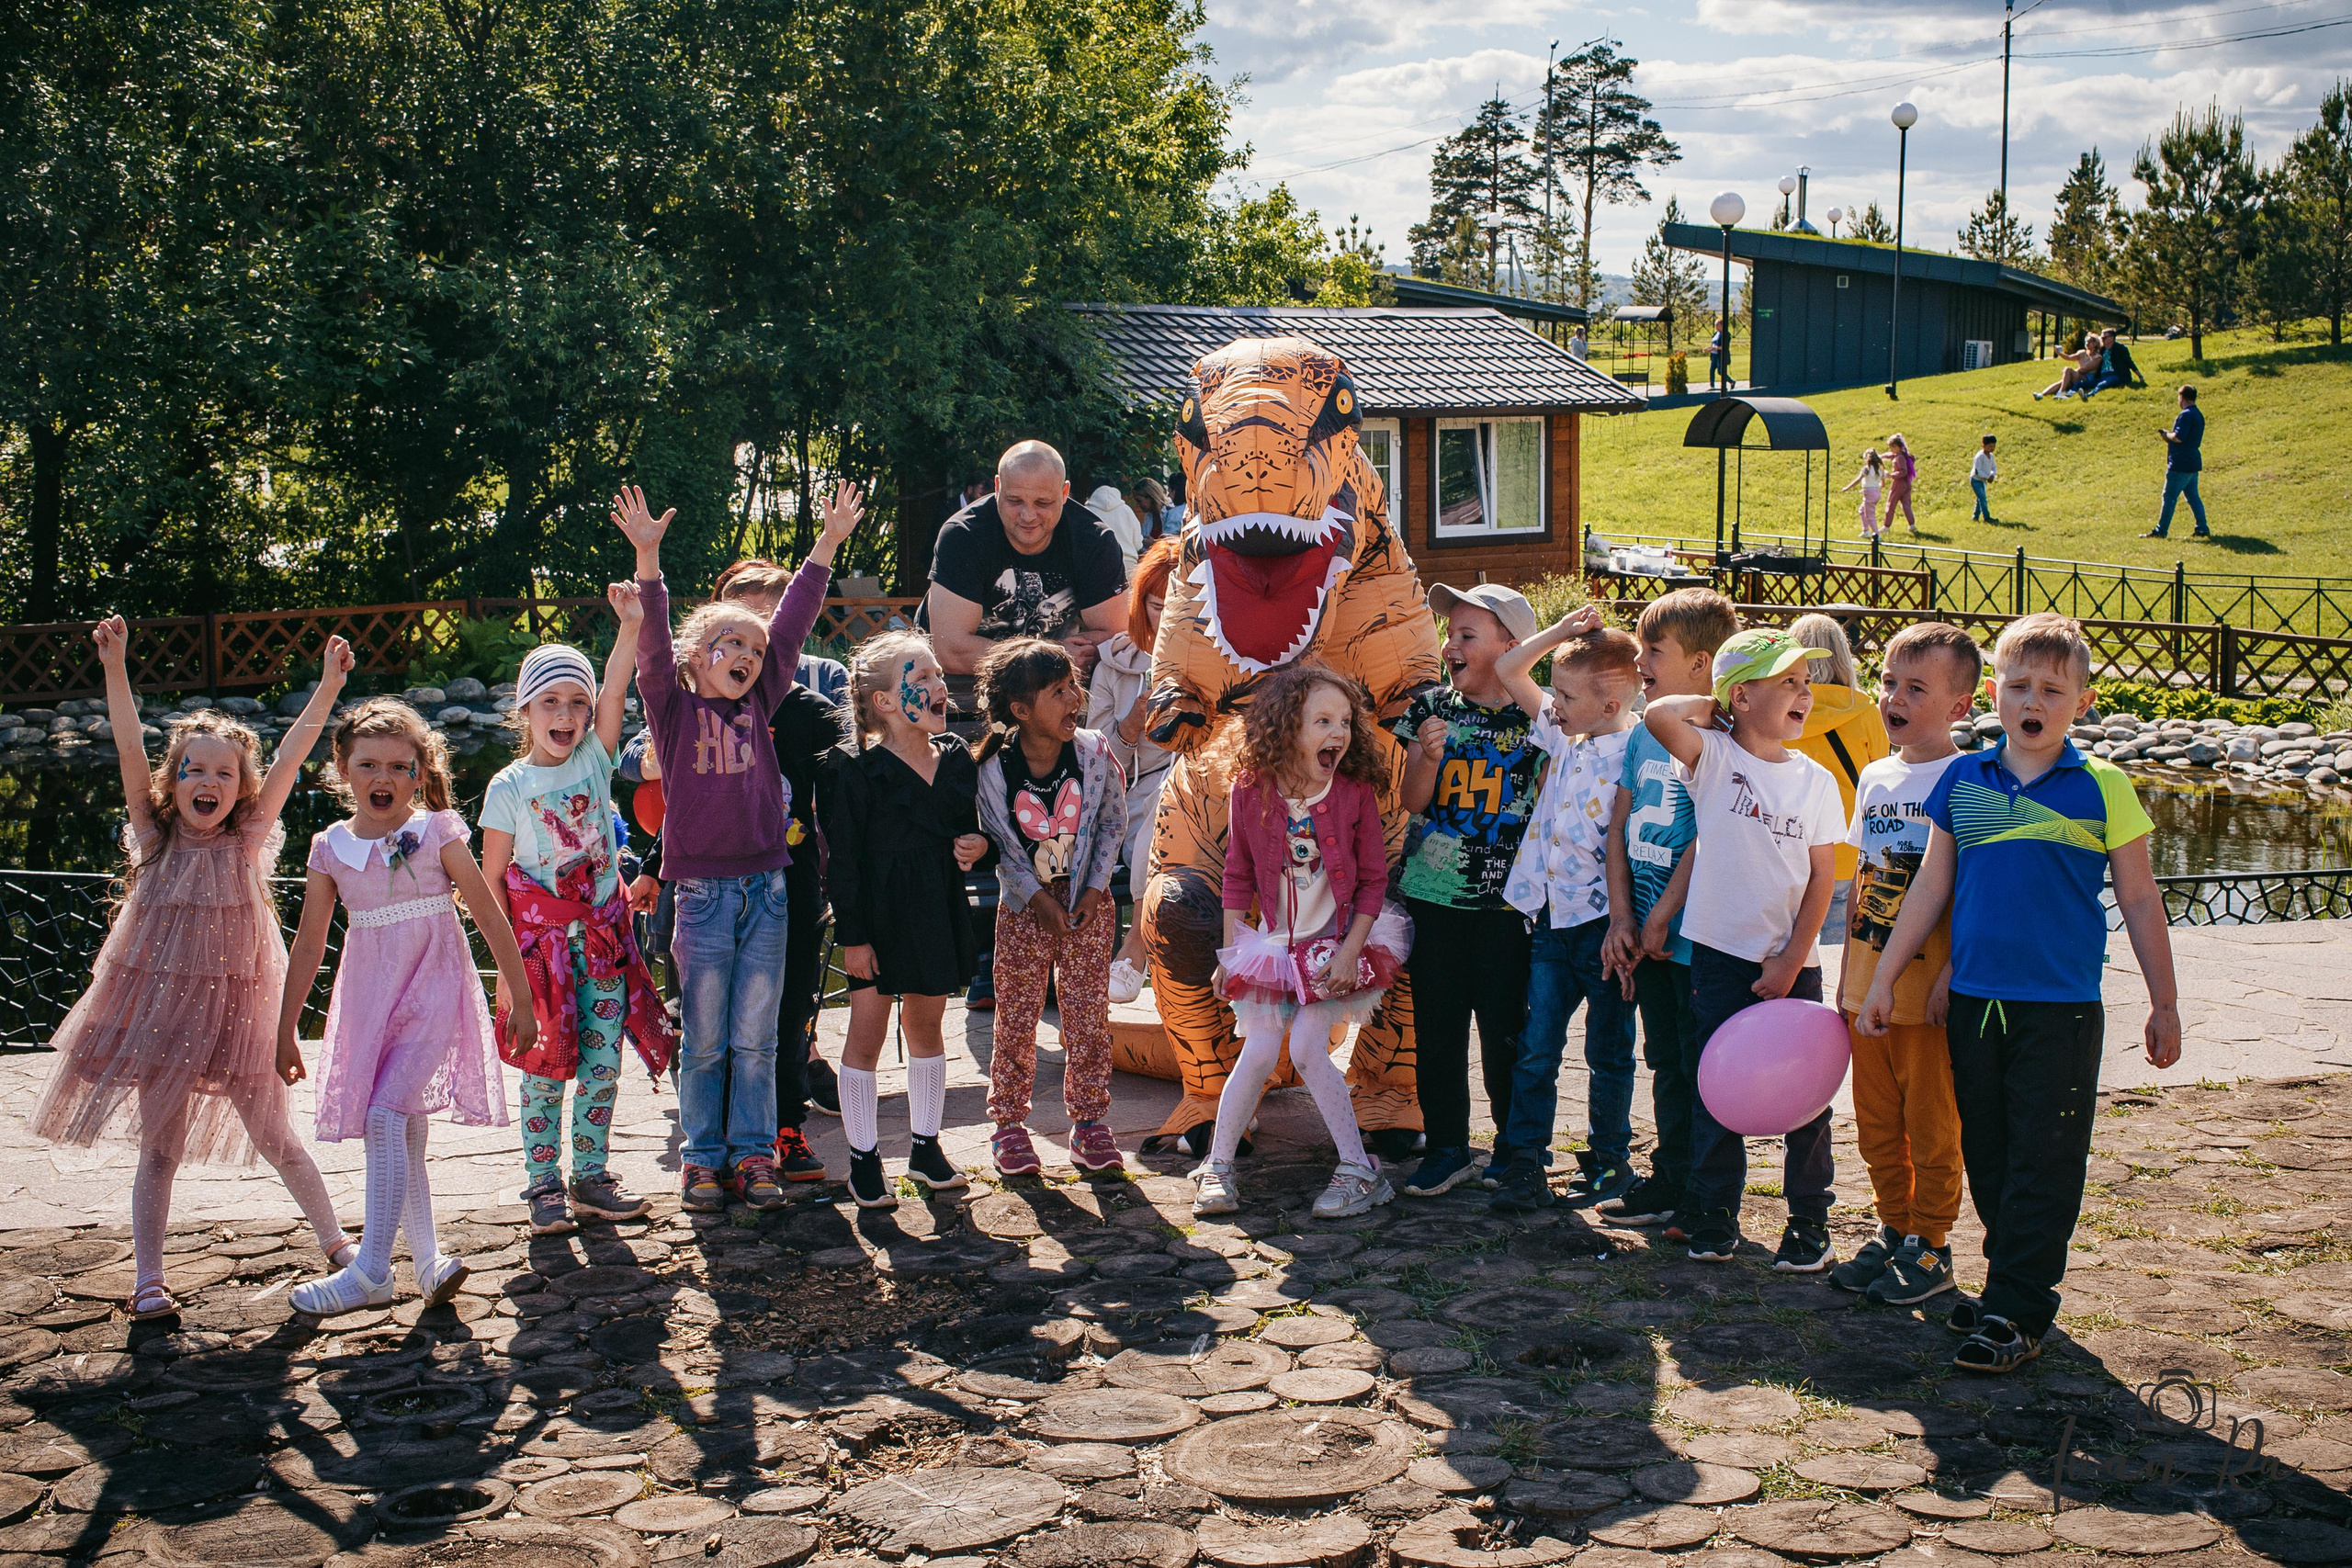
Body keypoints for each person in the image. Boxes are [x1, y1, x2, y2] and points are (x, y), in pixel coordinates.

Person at [1859, 614, 2182, 1373]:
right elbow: (1932, 885)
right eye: (2018, 685)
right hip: (1973, 1004)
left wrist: (2164, 1001)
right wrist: (1883, 979)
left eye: (2051, 689)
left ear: (2083, 702)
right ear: (1994, 695)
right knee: (1992, 1153)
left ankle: (2019, 1306)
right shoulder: (1965, 780)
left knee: (2046, 1155)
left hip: (2060, 1009)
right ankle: (2010, 1283)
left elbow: (2139, 899)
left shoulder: (2103, 787)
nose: (2032, 700)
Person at [33, 623, 357, 1321]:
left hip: (241, 1018)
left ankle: (336, 1243)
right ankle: (149, 1278)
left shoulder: (248, 838)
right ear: (172, 780)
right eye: (194, 769)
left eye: (223, 772)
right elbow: (126, 743)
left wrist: (328, 687)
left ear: (240, 787)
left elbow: (295, 753)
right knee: (161, 1147)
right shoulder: (154, 839)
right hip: (161, 1018)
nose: (207, 781)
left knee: (275, 1136)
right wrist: (115, 667)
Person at [614, 481, 861, 1213]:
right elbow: (653, 648)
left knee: (757, 1036)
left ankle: (755, 1153)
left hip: (771, 890)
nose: (750, 653)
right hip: (702, 896)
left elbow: (791, 626)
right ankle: (702, 1159)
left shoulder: (764, 698)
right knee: (708, 1038)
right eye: (732, 643)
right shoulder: (671, 710)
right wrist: (648, 559)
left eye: (756, 648)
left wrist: (827, 544)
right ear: (696, 657)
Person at [278, 698, 533, 1314]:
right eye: (368, 764)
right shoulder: (329, 848)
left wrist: (520, 994)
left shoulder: (438, 832)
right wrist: (286, 1028)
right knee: (405, 1126)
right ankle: (427, 1260)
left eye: (399, 765)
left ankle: (370, 1270)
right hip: (373, 1000)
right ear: (342, 768)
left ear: (419, 772)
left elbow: (487, 911)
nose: (383, 777)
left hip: (435, 992)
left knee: (386, 1117)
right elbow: (310, 942)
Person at [1642, 627, 1847, 1269]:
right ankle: (1714, 1213)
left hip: (1793, 962)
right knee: (1716, 1087)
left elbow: (1823, 877)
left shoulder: (1815, 781)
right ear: (1742, 695)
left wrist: (1790, 959)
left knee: (1807, 1100)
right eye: (1786, 680)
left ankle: (1809, 1220)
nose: (1804, 692)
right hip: (1720, 957)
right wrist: (1716, 708)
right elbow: (1655, 715)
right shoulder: (1714, 757)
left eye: (1805, 681)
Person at [1198, 666, 1410, 1220]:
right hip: (1271, 947)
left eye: (1345, 721)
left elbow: (1372, 881)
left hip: (1336, 944)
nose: (1338, 732)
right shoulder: (1251, 789)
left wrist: (1349, 952)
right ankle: (1218, 1168)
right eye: (1323, 720)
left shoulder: (1353, 791)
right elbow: (1237, 875)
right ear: (1288, 726)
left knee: (1308, 1049)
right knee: (1261, 1050)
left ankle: (1360, 1171)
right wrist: (1229, 954)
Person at [483, 622, 673, 1235]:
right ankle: (542, 1182)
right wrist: (507, 974)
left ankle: (590, 1174)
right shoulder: (508, 786)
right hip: (541, 950)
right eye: (550, 701)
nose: (564, 713)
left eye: (577, 702)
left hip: (602, 942)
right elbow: (490, 886)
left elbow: (619, 688)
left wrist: (626, 627)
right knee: (545, 1064)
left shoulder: (593, 757)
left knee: (601, 1061)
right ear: (526, 709)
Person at [1830, 623, 1980, 1306]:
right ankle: (1894, 1224)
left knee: (1932, 1122)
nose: (1894, 697)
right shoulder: (1876, 775)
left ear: (1959, 705)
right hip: (1868, 984)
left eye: (1916, 688)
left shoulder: (1967, 777)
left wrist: (1955, 972)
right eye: (1889, 681)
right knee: (1877, 1121)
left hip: (1927, 990)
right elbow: (1864, 875)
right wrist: (1848, 975)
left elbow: (1972, 888)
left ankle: (1934, 1242)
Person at [820, 632, 993, 1208]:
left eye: (939, 675)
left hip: (936, 909)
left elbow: (972, 832)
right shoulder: (853, 770)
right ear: (885, 702)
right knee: (865, 1034)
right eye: (920, 680)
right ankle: (864, 1157)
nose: (939, 686)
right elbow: (842, 861)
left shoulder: (956, 759)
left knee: (927, 1028)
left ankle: (925, 1147)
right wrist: (854, 937)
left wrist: (976, 845)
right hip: (876, 915)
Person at [704, 559, 854, 1179]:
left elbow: (853, 781)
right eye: (738, 626)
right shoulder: (695, 709)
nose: (755, 635)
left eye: (771, 619)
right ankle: (714, 1143)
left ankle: (785, 1127)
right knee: (718, 1020)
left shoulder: (807, 708)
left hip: (790, 883)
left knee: (788, 1009)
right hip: (710, 887)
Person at [1491, 609, 1644, 1214]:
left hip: (1606, 929)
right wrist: (1561, 635)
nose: (1553, 703)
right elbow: (1509, 668)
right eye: (1553, 690)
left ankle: (1610, 1161)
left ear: (1609, 706)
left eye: (1567, 694)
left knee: (1609, 1052)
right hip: (1552, 923)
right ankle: (1525, 1158)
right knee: (1537, 1046)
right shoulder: (1561, 733)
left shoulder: (1636, 747)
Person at [1599, 588, 1740, 1235]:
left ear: (1702, 664)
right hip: (1648, 932)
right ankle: (1669, 1175)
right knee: (1664, 1060)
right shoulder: (1640, 736)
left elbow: (1708, 834)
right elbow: (1619, 827)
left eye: (1653, 650)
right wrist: (1624, 916)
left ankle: (1704, 1195)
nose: (1640, 659)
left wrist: (1664, 917)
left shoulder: (1719, 742)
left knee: (1697, 1064)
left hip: (1693, 940)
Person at [1393, 584, 1542, 1198]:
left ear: (1512, 646)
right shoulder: (1431, 707)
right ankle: (1449, 1145)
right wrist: (1426, 758)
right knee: (1439, 1027)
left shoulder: (1541, 717)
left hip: (1509, 906)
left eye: (1467, 634)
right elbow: (1412, 801)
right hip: (1436, 896)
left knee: (1507, 1030)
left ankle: (1514, 1148)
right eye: (1449, 632)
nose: (1450, 645)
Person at [973, 638, 1128, 1177]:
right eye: (1058, 692)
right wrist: (1037, 900)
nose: (1074, 699)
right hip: (1023, 909)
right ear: (1021, 710)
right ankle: (1010, 1125)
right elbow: (1004, 844)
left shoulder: (1093, 753)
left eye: (1073, 687)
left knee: (1087, 1014)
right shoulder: (992, 769)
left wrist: (1092, 890)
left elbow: (1112, 821)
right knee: (1015, 1013)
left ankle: (1089, 1123)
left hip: (1089, 904)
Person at [922, 440, 1128, 680]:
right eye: (1014, 501)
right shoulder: (962, 535)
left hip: (1052, 690)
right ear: (997, 487)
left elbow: (1115, 637)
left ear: (1064, 493)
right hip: (961, 686)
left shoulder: (1094, 541)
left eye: (1043, 503)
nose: (1028, 516)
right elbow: (951, 651)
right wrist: (1050, 658)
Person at [1090, 536, 1179, 1002]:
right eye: (1157, 605)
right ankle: (1135, 949)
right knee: (1162, 816)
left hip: (1195, 787)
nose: (1166, 618)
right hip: (1130, 796)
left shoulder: (1211, 660)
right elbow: (1099, 768)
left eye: (1177, 605)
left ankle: (1136, 950)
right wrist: (1132, 723)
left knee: (1177, 800)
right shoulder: (1116, 667)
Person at [1790, 612, 1891, 893]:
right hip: (1846, 852)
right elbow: (1880, 778)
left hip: (1788, 851)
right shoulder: (1865, 712)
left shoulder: (1781, 712)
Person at [2144, 385, 2210, 539]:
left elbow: (2179, 437)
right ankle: (2202, 527)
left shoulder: (2186, 415)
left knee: (2169, 497)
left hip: (2180, 463)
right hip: (2193, 461)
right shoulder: (2198, 414)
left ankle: (2161, 531)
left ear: (2182, 398)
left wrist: (2167, 435)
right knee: (2193, 496)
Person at [1084, 482, 1144, 576]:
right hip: (1128, 565)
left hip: (1097, 565)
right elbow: (1138, 544)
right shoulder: (1127, 510)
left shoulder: (1086, 511)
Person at [2075, 328, 2146, 400]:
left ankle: (2087, 396)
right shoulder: (2102, 350)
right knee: (2081, 383)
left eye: (2104, 338)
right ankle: (2068, 395)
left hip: (2116, 375)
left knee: (2101, 385)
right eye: (2101, 338)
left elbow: (2129, 362)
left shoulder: (2120, 348)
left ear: (2111, 338)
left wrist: (2140, 376)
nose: (2102, 340)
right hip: (2103, 376)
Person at [2033, 334, 2100, 400]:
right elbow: (2069, 357)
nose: (2087, 343)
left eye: (2090, 341)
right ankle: (2041, 395)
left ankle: (2061, 392)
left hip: (2087, 379)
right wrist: (2059, 353)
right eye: (2086, 341)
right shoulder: (2082, 353)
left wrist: (2070, 373)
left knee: (2067, 370)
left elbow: (2084, 370)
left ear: (2095, 343)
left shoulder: (2097, 357)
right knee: (2062, 382)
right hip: (2078, 376)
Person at [1839, 449, 1885, 538]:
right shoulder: (1880, 470)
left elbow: (1858, 479)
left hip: (1869, 494)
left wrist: (1847, 488)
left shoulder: (1866, 469)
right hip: (1877, 493)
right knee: (1862, 510)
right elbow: (1883, 485)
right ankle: (1865, 531)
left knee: (1870, 516)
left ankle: (1877, 535)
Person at [1884, 434, 1919, 538]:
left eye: (1891, 447)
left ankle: (1886, 525)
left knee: (1891, 504)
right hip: (1907, 483)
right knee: (1906, 505)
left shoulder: (1899, 458)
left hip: (1899, 484)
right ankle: (1912, 525)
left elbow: (1903, 471)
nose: (1890, 450)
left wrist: (1891, 475)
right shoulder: (1903, 455)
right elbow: (1890, 455)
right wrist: (1880, 456)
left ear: (1896, 446)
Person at [1968, 434, 1998, 524]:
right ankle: (1987, 517)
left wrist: (1992, 475)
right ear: (1983, 445)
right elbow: (1977, 471)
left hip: (1983, 480)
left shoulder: (1991, 456)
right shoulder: (1979, 456)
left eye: (1993, 446)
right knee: (1983, 498)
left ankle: (1975, 517)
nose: (1992, 448)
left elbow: (1994, 467)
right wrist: (1987, 477)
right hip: (1976, 480)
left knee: (1980, 499)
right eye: (1990, 446)